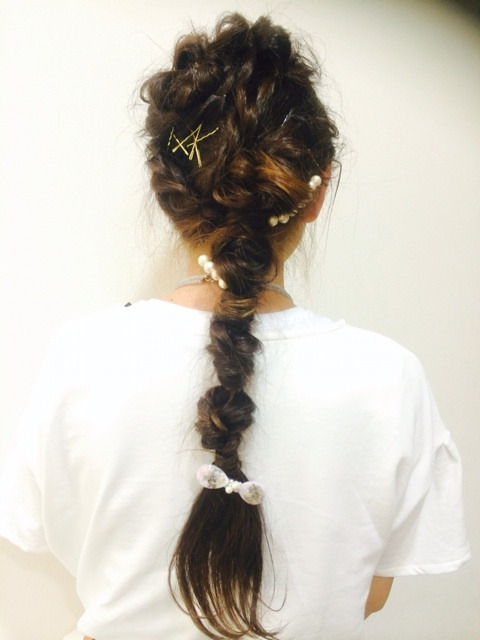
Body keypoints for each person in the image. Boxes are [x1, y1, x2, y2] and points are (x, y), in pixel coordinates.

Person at [0, 13, 471, 640]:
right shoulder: (391, 379)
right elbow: (368, 593)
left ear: (166, 190)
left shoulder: (83, 357)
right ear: (316, 193)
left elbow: (53, 546)